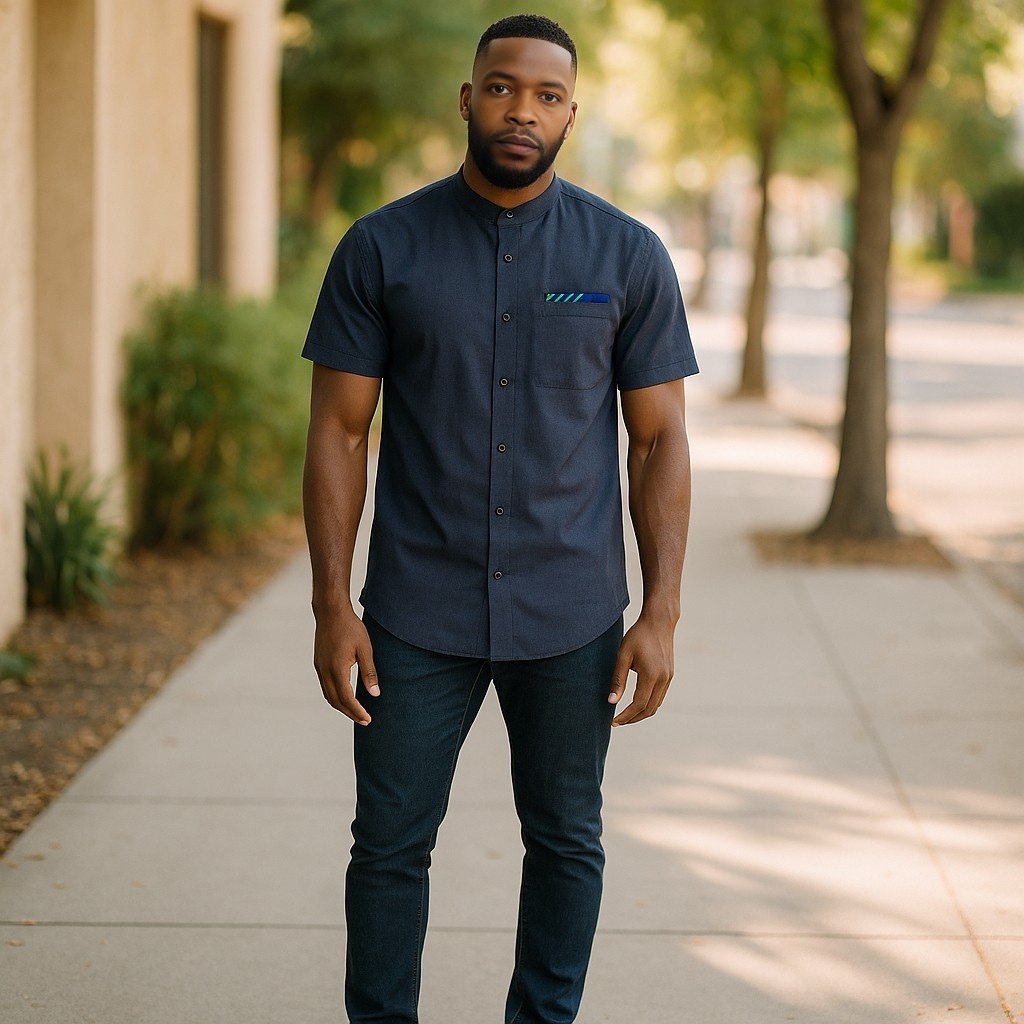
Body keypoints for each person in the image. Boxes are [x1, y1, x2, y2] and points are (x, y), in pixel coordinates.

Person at [301, 14, 697, 1024]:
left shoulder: (626, 254)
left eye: (548, 94)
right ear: (468, 98)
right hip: (410, 613)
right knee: (388, 843)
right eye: (504, 87)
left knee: (566, 837)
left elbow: (656, 442)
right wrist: (329, 605)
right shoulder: (379, 248)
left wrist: (660, 612)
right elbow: (340, 432)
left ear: (571, 111)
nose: (524, 109)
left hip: (569, 614)